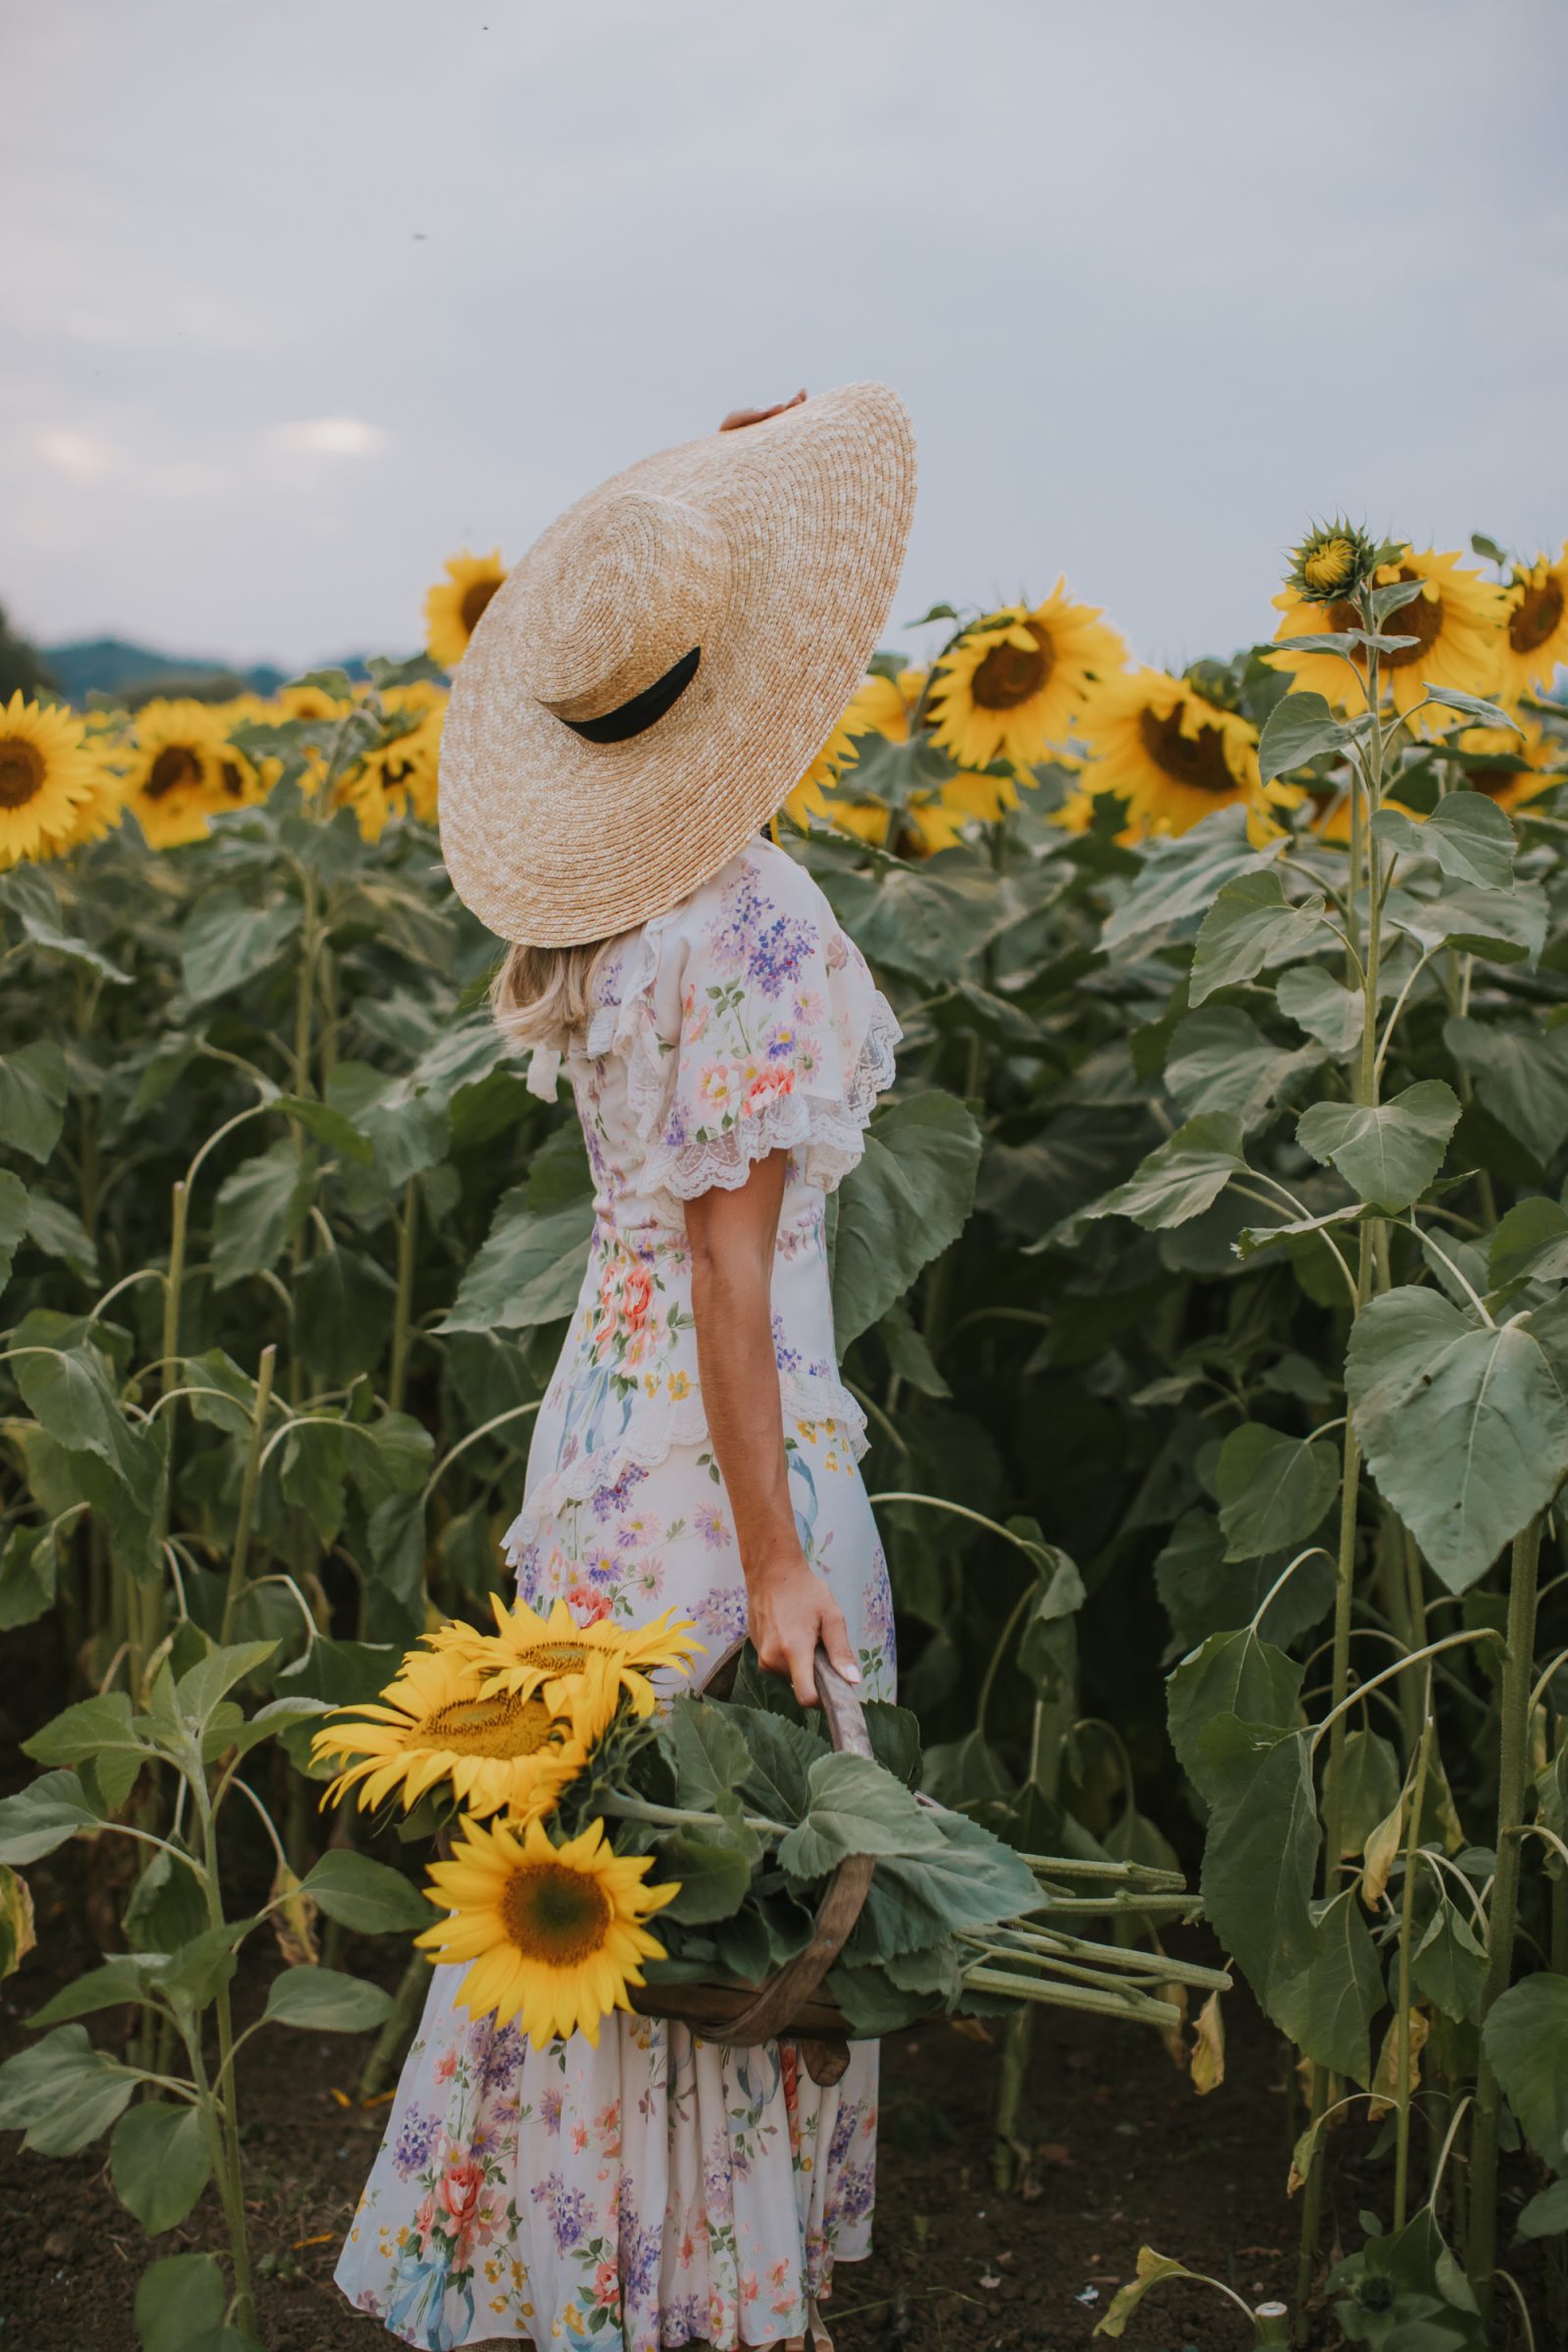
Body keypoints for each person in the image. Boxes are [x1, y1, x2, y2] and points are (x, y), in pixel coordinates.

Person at [333, 381, 918, 2352]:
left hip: (597, 1424)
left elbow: (660, 1255)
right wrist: (774, 1559)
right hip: (714, 1450)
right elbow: (735, 1279)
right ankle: (696, 2297)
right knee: (731, 1855)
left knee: (608, 1849)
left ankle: (565, 2265)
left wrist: (733, 461)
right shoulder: (751, 914)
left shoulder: (621, 916)